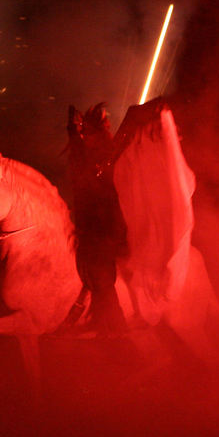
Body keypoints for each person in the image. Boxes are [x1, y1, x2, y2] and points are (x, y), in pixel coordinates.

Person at [63, 103, 128, 336]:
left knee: (101, 278)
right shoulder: (94, 156)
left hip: (104, 231)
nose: (84, 137)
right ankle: (97, 318)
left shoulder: (105, 156)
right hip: (91, 228)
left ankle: (119, 329)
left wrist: (72, 129)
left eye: (86, 132)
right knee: (90, 274)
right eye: (83, 133)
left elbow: (82, 159)